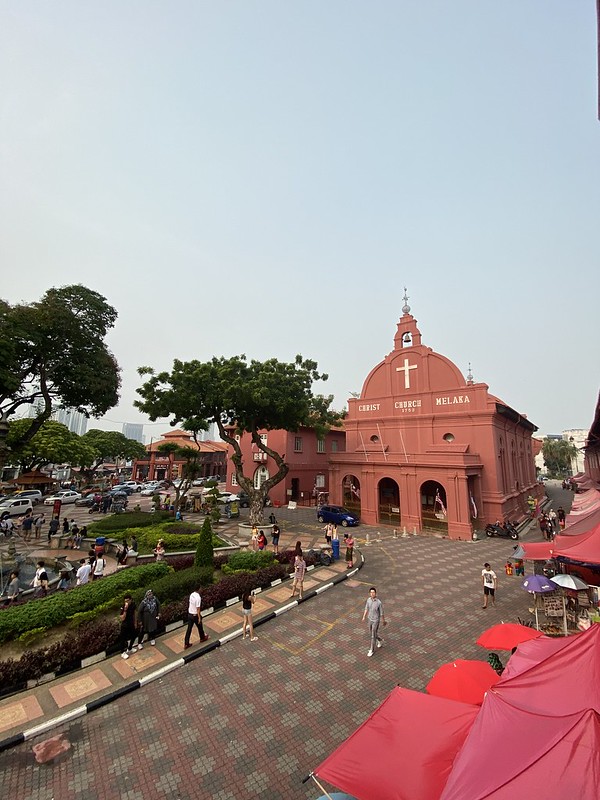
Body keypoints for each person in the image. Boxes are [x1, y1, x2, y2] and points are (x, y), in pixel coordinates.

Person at [362, 586, 387, 657]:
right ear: (369, 593)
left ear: (376, 593)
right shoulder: (368, 600)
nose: (372, 594)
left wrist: (383, 621)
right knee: (372, 633)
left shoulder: (379, 603)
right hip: (369, 619)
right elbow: (366, 608)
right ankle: (379, 640)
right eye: (371, 592)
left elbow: (381, 613)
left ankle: (371, 650)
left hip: (376, 620)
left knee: (373, 635)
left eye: (373, 592)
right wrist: (364, 616)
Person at [183, 584, 209, 649]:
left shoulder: (192, 595)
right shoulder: (198, 598)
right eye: (201, 588)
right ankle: (202, 638)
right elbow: (198, 608)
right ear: (199, 589)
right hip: (195, 615)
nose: (201, 589)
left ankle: (186, 643)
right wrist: (199, 617)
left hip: (190, 614)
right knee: (200, 627)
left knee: (189, 629)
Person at [119, 594, 137, 659]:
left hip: (131, 624)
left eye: (128, 600)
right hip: (125, 625)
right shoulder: (123, 607)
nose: (126, 602)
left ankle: (130, 648)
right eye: (125, 601)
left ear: (131, 600)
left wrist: (135, 623)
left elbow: (134, 614)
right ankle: (122, 652)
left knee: (134, 635)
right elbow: (122, 618)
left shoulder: (133, 605)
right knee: (123, 639)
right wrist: (125, 610)